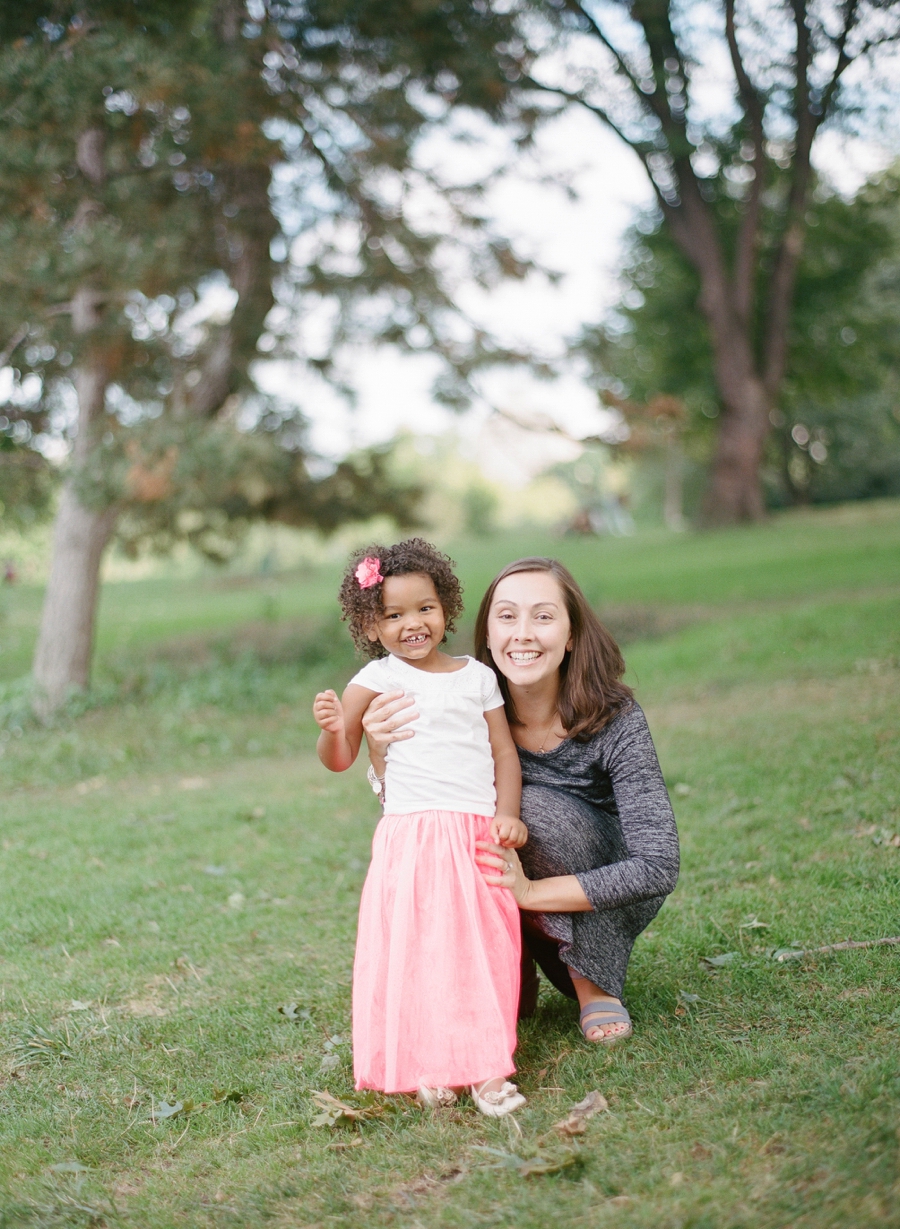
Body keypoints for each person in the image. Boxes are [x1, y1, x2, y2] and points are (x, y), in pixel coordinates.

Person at [363, 556, 679, 1045]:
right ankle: (509, 963)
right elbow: (418, 816)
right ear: (486, 634)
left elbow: (658, 865)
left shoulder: (615, 718)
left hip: (600, 888)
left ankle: (592, 983)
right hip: (501, 883)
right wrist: (380, 751)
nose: (523, 634)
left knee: (524, 811)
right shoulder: (461, 704)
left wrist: (529, 893)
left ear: (572, 634)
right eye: (507, 617)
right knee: (452, 827)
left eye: (544, 616)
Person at [312, 539, 529, 1116]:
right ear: (369, 624)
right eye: (393, 614)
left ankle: (485, 1068)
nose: (412, 623)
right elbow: (340, 758)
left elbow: (504, 753)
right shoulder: (374, 679)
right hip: (411, 836)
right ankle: (430, 1064)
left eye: (424, 608)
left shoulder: (477, 677)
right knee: (422, 949)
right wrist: (335, 727)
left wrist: (507, 813)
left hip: (477, 829)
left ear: (446, 607)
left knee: (484, 945)